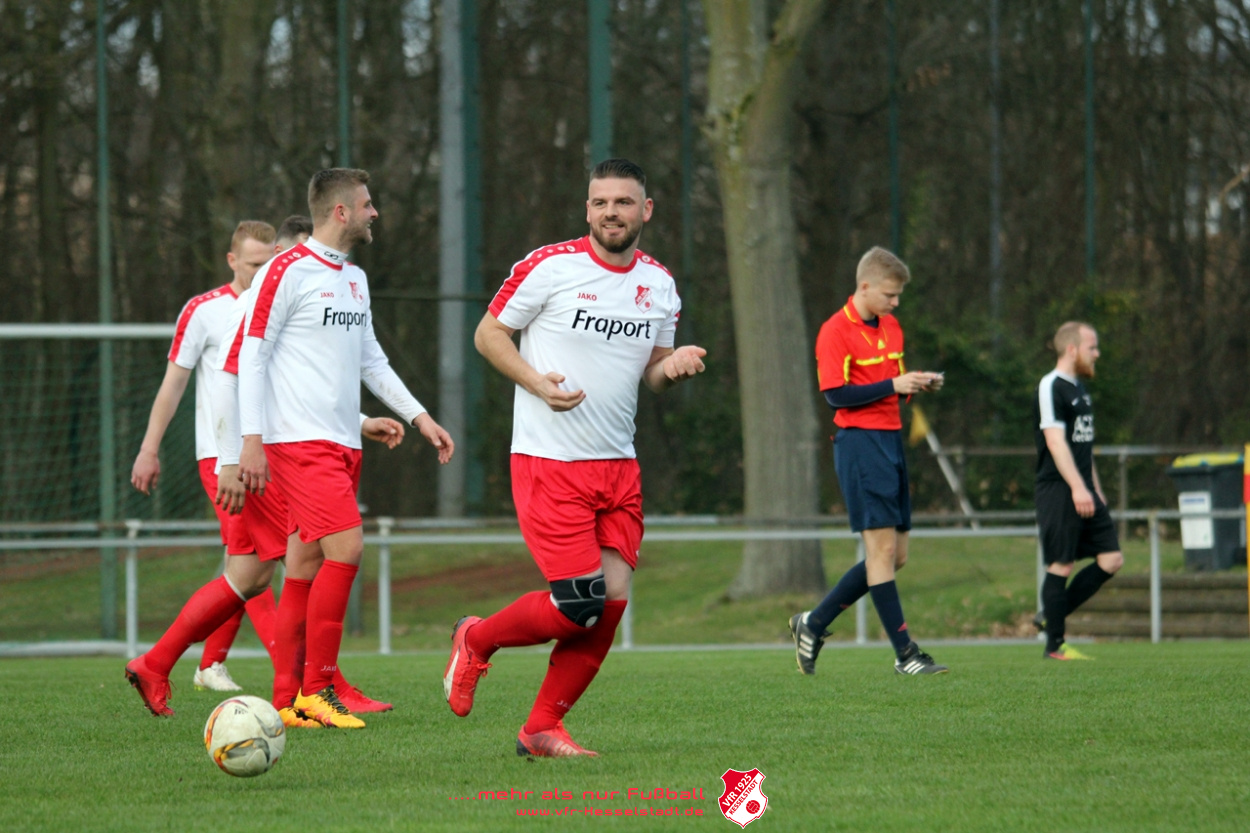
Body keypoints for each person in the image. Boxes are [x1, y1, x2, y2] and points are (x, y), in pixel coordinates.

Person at [443, 158, 707, 758]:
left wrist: (673, 366)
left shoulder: (660, 284)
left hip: (618, 465)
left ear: (646, 210)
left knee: (609, 603)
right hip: (549, 460)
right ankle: (476, 639)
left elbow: (652, 372)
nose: (611, 212)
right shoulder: (550, 266)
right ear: (587, 209)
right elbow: (488, 334)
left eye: (623, 202)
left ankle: (540, 729)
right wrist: (537, 383)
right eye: (600, 202)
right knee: (577, 605)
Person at [236, 168, 454, 729]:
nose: (374, 212)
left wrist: (419, 417)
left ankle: (286, 698)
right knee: (348, 549)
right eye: (367, 204)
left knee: (305, 562)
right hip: (297, 442)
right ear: (341, 212)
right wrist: (251, 440)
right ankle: (318, 689)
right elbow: (253, 356)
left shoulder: (353, 278)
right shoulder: (285, 270)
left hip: (340, 442)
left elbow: (370, 360)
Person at [129, 220, 279, 692]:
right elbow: (173, 385)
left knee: (251, 566)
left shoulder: (279, 304)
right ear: (232, 261)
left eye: (268, 264)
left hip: (271, 455)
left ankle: (206, 663)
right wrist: (148, 449)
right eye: (252, 264)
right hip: (223, 458)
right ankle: (291, 675)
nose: (260, 273)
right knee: (255, 561)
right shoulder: (204, 310)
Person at [788, 247, 948, 676]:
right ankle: (905, 655)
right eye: (889, 295)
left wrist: (916, 384)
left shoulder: (891, 327)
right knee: (881, 551)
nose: (895, 303)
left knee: (896, 556)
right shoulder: (834, 331)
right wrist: (894, 384)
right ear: (864, 286)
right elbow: (835, 395)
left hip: (891, 441)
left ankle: (813, 623)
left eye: (898, 296)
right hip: (860, 445)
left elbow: (889, 383)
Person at [1032, 322, 1123, 660]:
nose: (1096, 353)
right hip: (1060, 489)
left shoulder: (1080, 390)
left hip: (1083, 488)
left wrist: (1094, 489)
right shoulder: (1050, 386)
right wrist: (1077, 488)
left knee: (1111, 559)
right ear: (1072, 349)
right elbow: (1056, 443)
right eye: (1092, 347)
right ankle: (1054, 646)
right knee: (1061, 563)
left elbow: (1082, 447)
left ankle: (1049, 616)